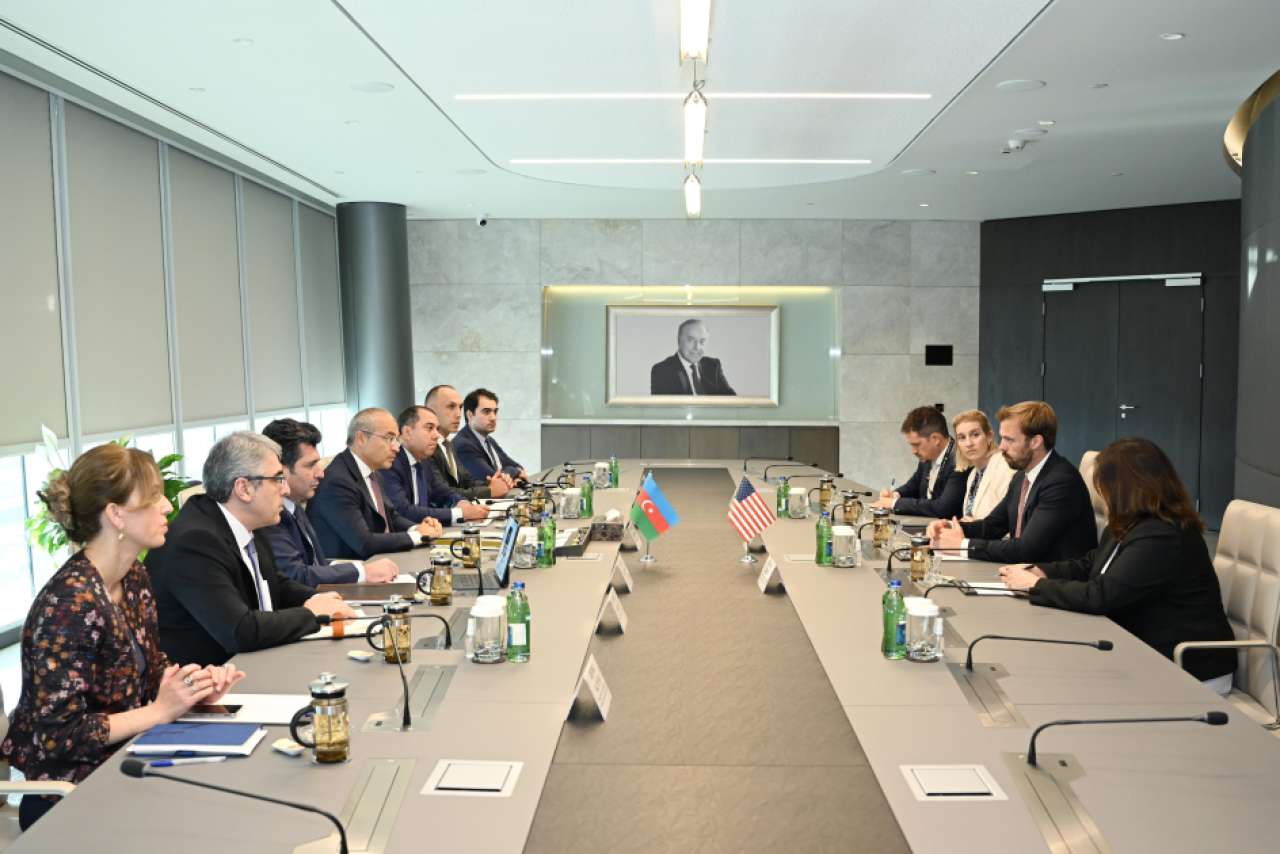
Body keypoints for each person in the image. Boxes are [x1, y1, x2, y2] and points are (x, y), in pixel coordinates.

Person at [0, 445, 246, 829]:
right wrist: (159, 712)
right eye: (153, 497)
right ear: (116, 514)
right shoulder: (68, 604)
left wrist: (192, 688)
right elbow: (60, 735)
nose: (167, 506)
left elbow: (151, 668)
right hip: (71, 796)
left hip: (128, 764)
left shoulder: (132, 577)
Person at [999, 438, 1236, 692]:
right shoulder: (1130, 521)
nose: (1101, 496)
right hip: (1146, 650)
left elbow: (1102, 596)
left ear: (1123, 488)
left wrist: (1037, 586)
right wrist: (1040, 570)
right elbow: (1092, 563)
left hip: (1188, 667)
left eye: (1103, 487)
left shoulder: (1162, 534)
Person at [148, 432, 355, 666]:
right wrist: (311, 613)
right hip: (215, 678)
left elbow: (274, 584)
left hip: (255, 663)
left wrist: (318, 599)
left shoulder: (246, 521)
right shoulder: (195, 541)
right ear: (244, 488)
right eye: (277, 479)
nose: (286, 490)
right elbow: (240, 630)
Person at [928, 401, 1096, 563]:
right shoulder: (1022, 476)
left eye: (1009, 440)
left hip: (1052, 577)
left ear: (1035, 442)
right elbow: (993, 526)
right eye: (1002, 438)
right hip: (1022, 571)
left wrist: (962, 545)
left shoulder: (1061, 482)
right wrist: (949, 527)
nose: (1001, 447)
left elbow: (1026, 549)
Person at [259, 418, 399, 586]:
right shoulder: (268, 517)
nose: (321, 473)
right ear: (281, 469)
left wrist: (360, 568)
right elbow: (296, 575)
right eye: (310, 465)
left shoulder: (295, 505)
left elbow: (316, 562)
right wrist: (361, 572)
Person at [308, 408, 443, 560]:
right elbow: (364, 543)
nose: (396, 447)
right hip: (353, 569)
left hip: (381, 561)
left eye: (396, 439)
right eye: (389, 438)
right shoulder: (338, 482)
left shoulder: (374, 473)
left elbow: (391, 517)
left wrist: (417, 527)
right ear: (361, 438)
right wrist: (419, 535)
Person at [383, 405, 490, 526]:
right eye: (429, 428)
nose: (436, 435)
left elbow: (443, 492)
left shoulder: (424, 461)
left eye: (437, 429)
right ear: (407, 432)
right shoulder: (390, 463)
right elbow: (404, 511)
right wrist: (460, 513)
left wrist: (462, 503)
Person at [424, 384, 512, 500]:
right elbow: (441, 492)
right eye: (451, 406)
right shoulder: (425, 448)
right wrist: (489, 491)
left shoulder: (448, 445)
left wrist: (492, 483)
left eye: (460, 407)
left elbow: (467, 482)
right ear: (431, 410)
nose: (458, 414)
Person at [874, 406, 964, 517]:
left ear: (935, 439)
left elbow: (944, 508)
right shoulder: (928, 456)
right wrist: (895, 495)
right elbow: (914, 486)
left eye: (916, 445)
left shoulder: (959, 461)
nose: (913, 451)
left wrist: (894, 503)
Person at [452, 388, 529, 483]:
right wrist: (515, 473)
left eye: (495, 411)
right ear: (470, 415)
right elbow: (494, 481)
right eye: (486, 412)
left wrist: (515, 474)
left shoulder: (489, 440)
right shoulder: (463, 445)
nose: (493, 418)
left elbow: (517, 466)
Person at [950, 409, 1015, 521]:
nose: (969, 443)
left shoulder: (1005, 467)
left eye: (975, 435)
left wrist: (972, 525)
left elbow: (1010, 520)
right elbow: (970, 518)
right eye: (962, 438)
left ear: (989, 436)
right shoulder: (973, 475)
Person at [649, 318, 736, 395]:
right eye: (691, 340)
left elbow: (731, 400)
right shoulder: (662, 370)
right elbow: (664, 407)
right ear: (679, 340)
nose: (697, 347)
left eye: (702, 341)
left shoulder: (713, 365)